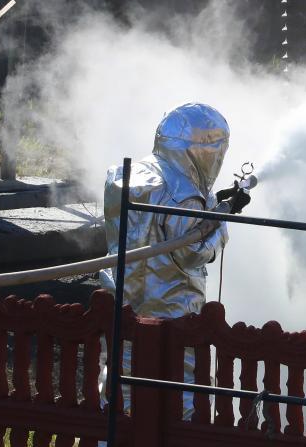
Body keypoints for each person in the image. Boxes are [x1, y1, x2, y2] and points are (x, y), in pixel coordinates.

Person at [99, 102, 250, 419]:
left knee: (120, 383)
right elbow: (193, 251)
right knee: (181, 393)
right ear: (203, 151)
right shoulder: (184, 194)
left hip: (122, 301)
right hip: (173, 310)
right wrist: (222, 222)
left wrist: (212, 205)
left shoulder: (125, 174)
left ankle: (110, 435)